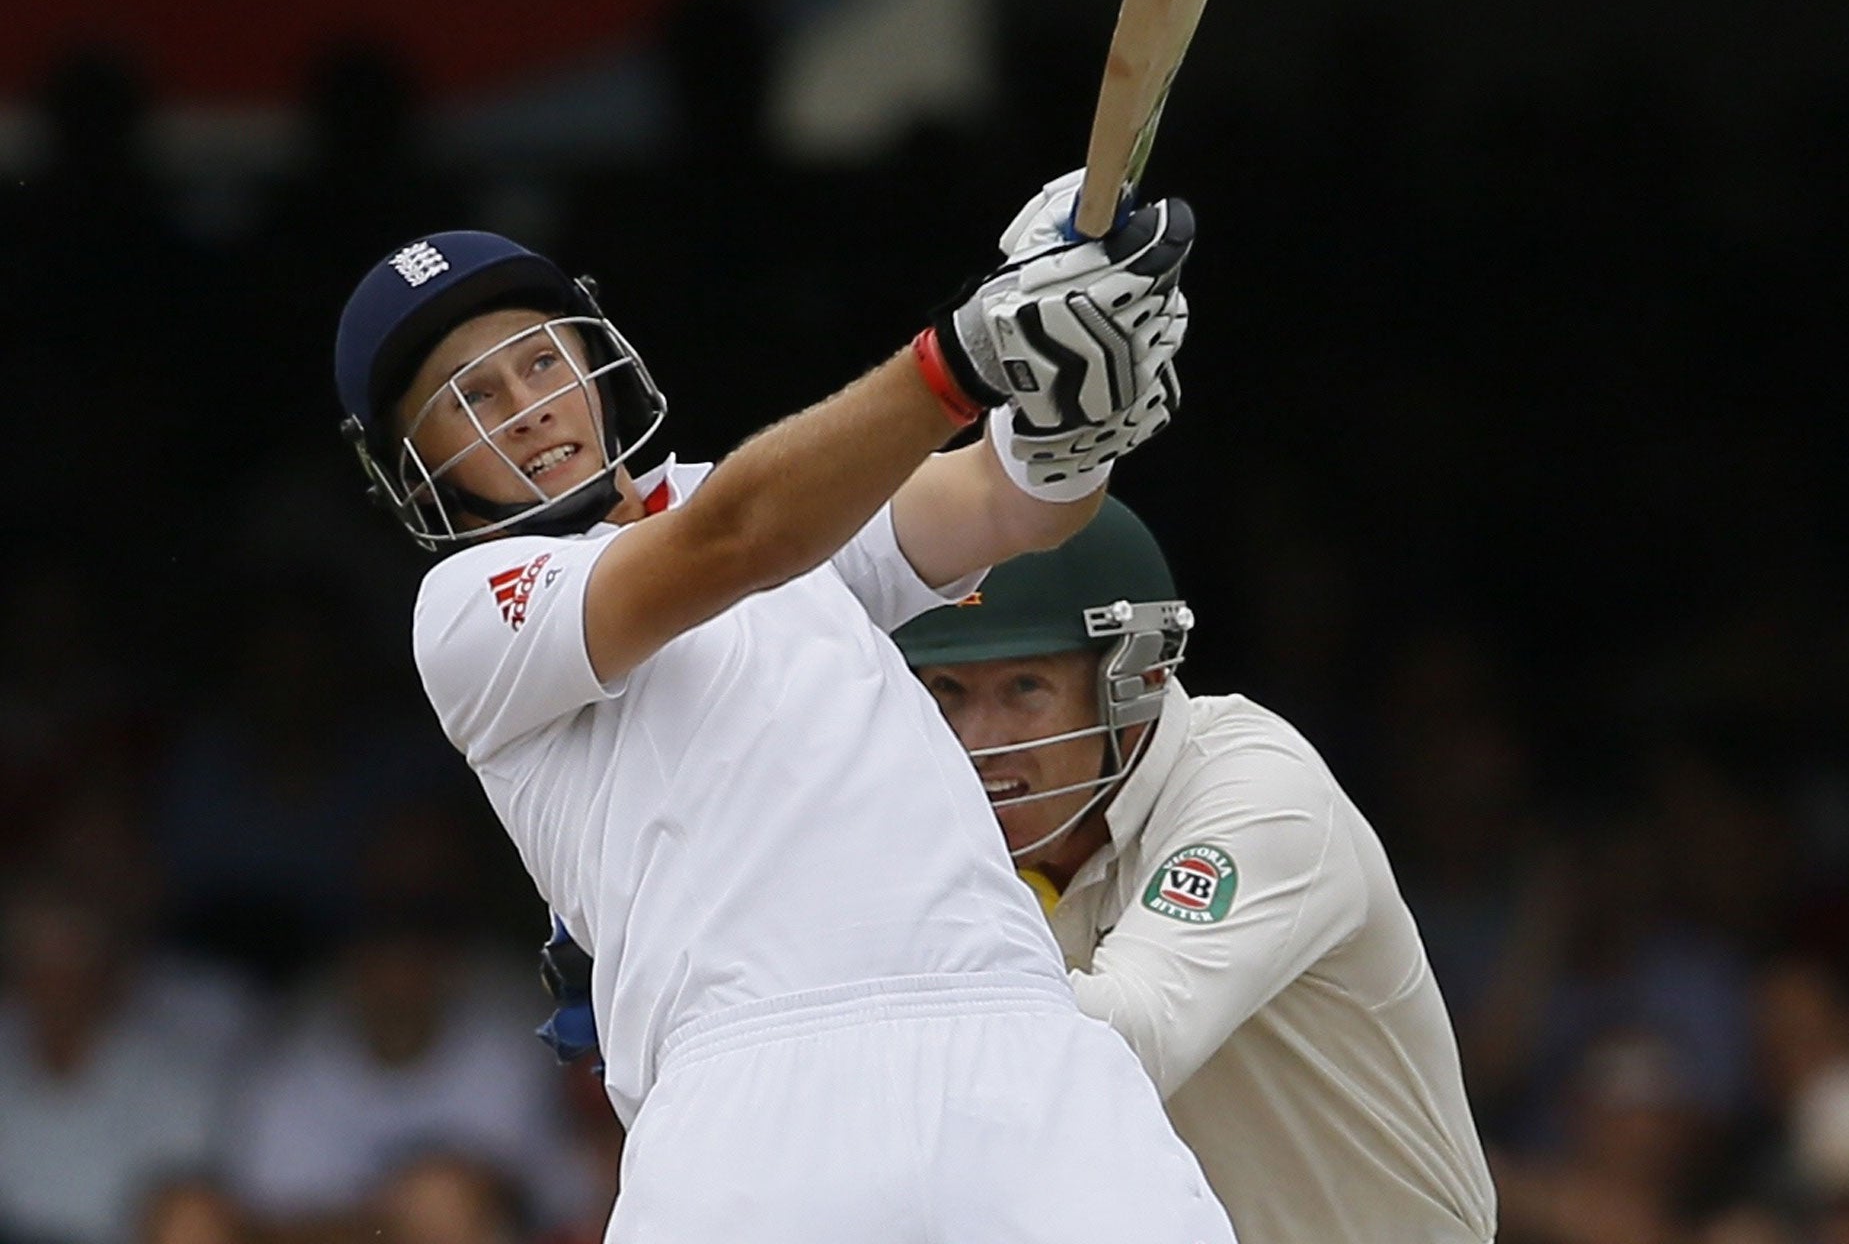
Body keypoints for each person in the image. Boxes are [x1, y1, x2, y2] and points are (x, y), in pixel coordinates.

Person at [330, 169, 1230, 1243]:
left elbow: (1001, 502)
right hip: (751, 1099)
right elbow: (740, 541)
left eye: (539, 359)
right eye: (469, 399)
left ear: (592, 358)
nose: (527, 409)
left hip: (1014, 1038)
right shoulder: (467, 614)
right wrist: (965, 353)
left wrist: (1068, 417)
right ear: (413, 465)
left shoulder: (762, 498)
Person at [892, 497, 1499, 1244]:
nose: (977, 743)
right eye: (948, 691)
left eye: (1024, 688)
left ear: (1135, 679)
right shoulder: (948, 829)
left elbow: (1123, 1042)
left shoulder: (1258, 787)